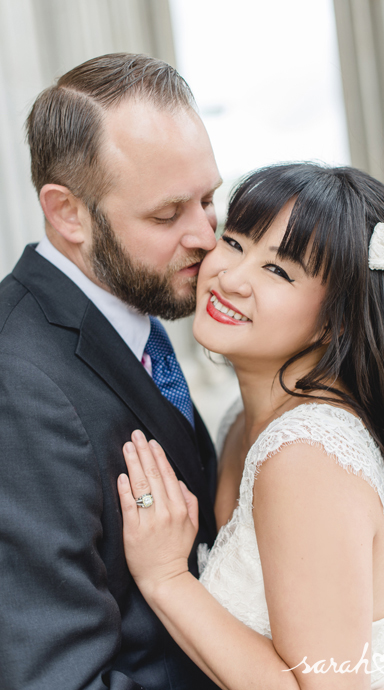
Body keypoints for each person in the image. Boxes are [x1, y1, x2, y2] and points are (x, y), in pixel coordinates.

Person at [118, 163, 384, 689]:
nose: (231, 277)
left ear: (337, 318)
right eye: (234, 242)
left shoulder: (305, 458)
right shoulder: (237, 424)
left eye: (278, 271)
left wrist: (166, 578)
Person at [0, 54, 223, 689]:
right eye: (167, 214)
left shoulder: (140, 301)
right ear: (67, 212)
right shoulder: (16, 384)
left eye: (210, 199)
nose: (206, 235)